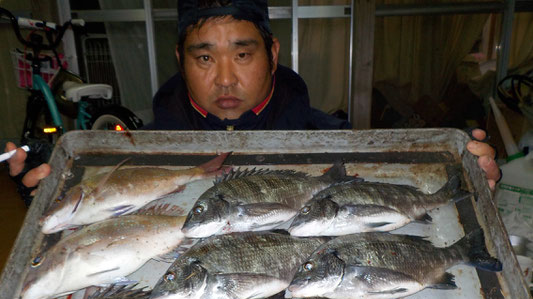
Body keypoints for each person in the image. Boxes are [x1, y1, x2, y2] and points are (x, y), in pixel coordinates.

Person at [4, 0, 501, 204]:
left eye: (242, 53)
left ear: (272, 52)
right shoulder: (138, 155)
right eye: (204, 58)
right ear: (180, 59)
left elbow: (403, 198)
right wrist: (53, 196)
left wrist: (462, 175)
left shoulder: (333, 144)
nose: (225, 78)